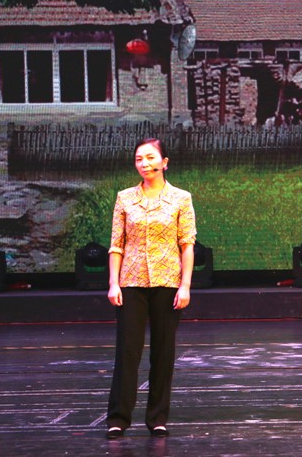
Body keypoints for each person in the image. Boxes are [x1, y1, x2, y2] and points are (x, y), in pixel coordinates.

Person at [105, 138, 197, 439]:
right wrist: (113, 283)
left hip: (168, 282)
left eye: (150, 157)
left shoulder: (181, 198)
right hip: (131, 282)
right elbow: (116, 245)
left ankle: (157, 418)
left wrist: (185, 286)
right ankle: (118, 418)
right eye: (138, 159)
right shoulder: (125, 198)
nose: (144, 164)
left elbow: (187, 245)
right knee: (127, 352)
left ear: (164, 162)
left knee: (163, 352)